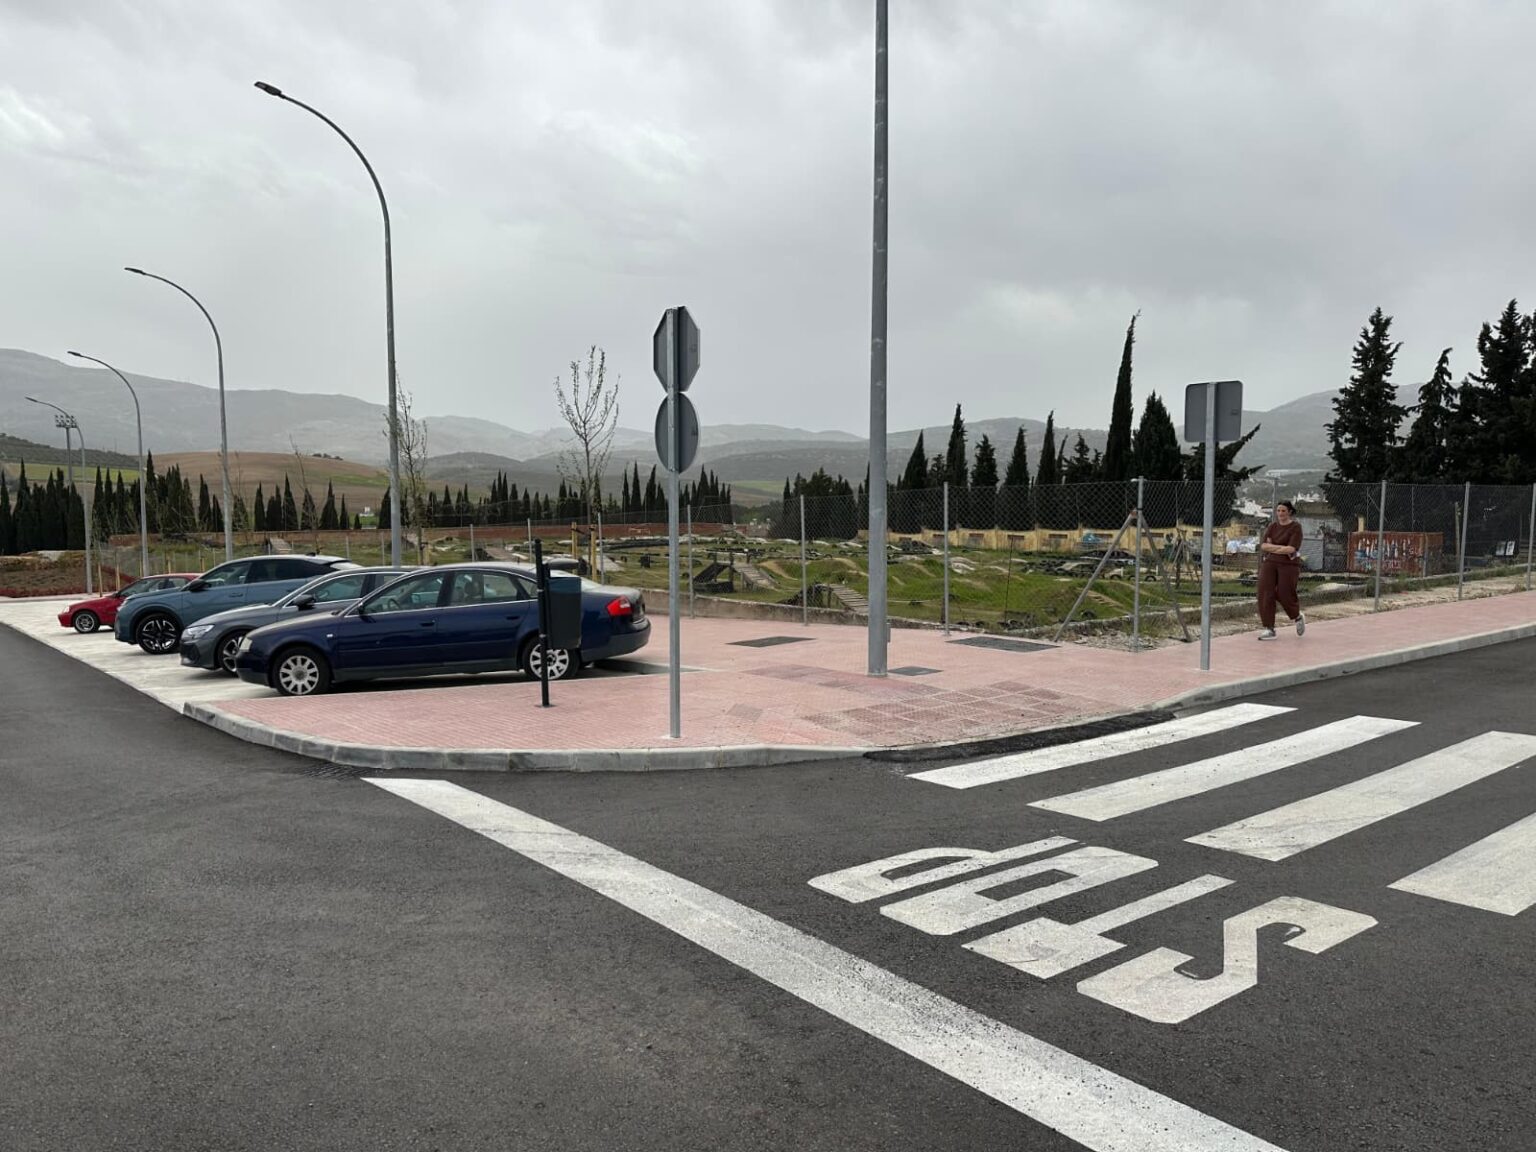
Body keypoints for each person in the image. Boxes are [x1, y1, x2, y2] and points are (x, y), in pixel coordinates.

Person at [1257, 500, 1305, 640]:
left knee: (1285, 593)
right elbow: (1264, 546)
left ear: (1289, 512)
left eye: (1283, 510)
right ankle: (1269, 628)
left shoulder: (1296, 527)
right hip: (1270, 562)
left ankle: (1297, 616)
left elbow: (1292, 548)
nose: (1280, 513)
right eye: (1278, 511)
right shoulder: (1272, 527)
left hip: (1289, 565)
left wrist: (1274, 548)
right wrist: (1280, 549)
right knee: (1265, 592)